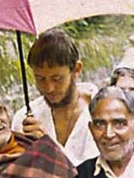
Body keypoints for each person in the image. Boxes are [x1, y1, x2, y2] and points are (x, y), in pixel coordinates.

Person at [13, 27, 99, 164]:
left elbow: (95, 174)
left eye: (57, 78)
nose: (49, 88)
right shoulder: (23, 119)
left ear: (76, 70)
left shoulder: (101, 114)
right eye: (40, 78)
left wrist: (48, 145)